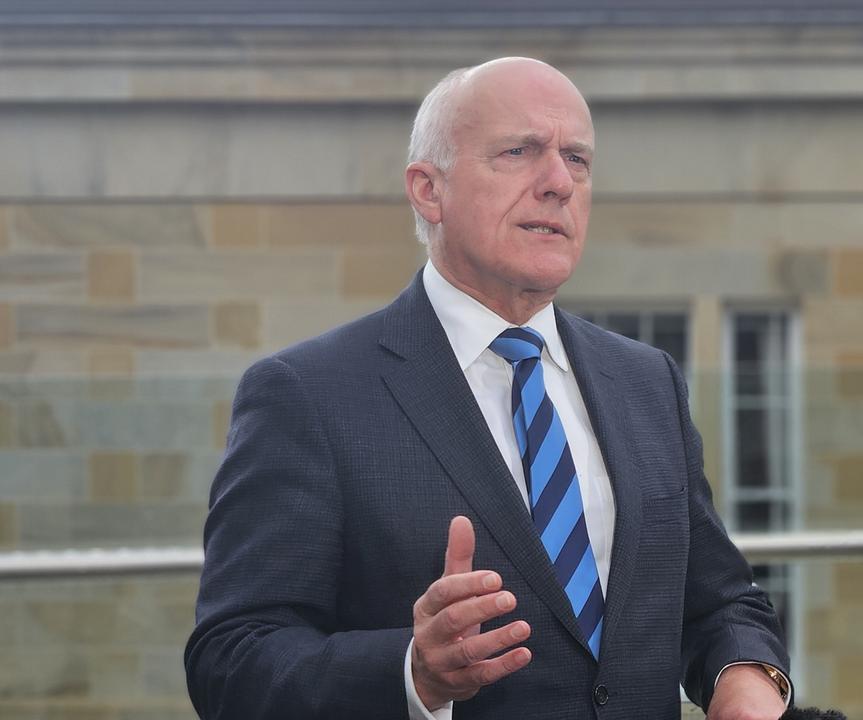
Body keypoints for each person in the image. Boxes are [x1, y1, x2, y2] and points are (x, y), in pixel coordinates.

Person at [184, 56, 790, 720]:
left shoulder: (646, 381)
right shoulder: (306, 395)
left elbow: (720, 599)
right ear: (428, 190)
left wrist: (746, 681)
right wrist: (413, 672)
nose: (559, 182)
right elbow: (232, 660)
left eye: (578, 160)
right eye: (519, 151)